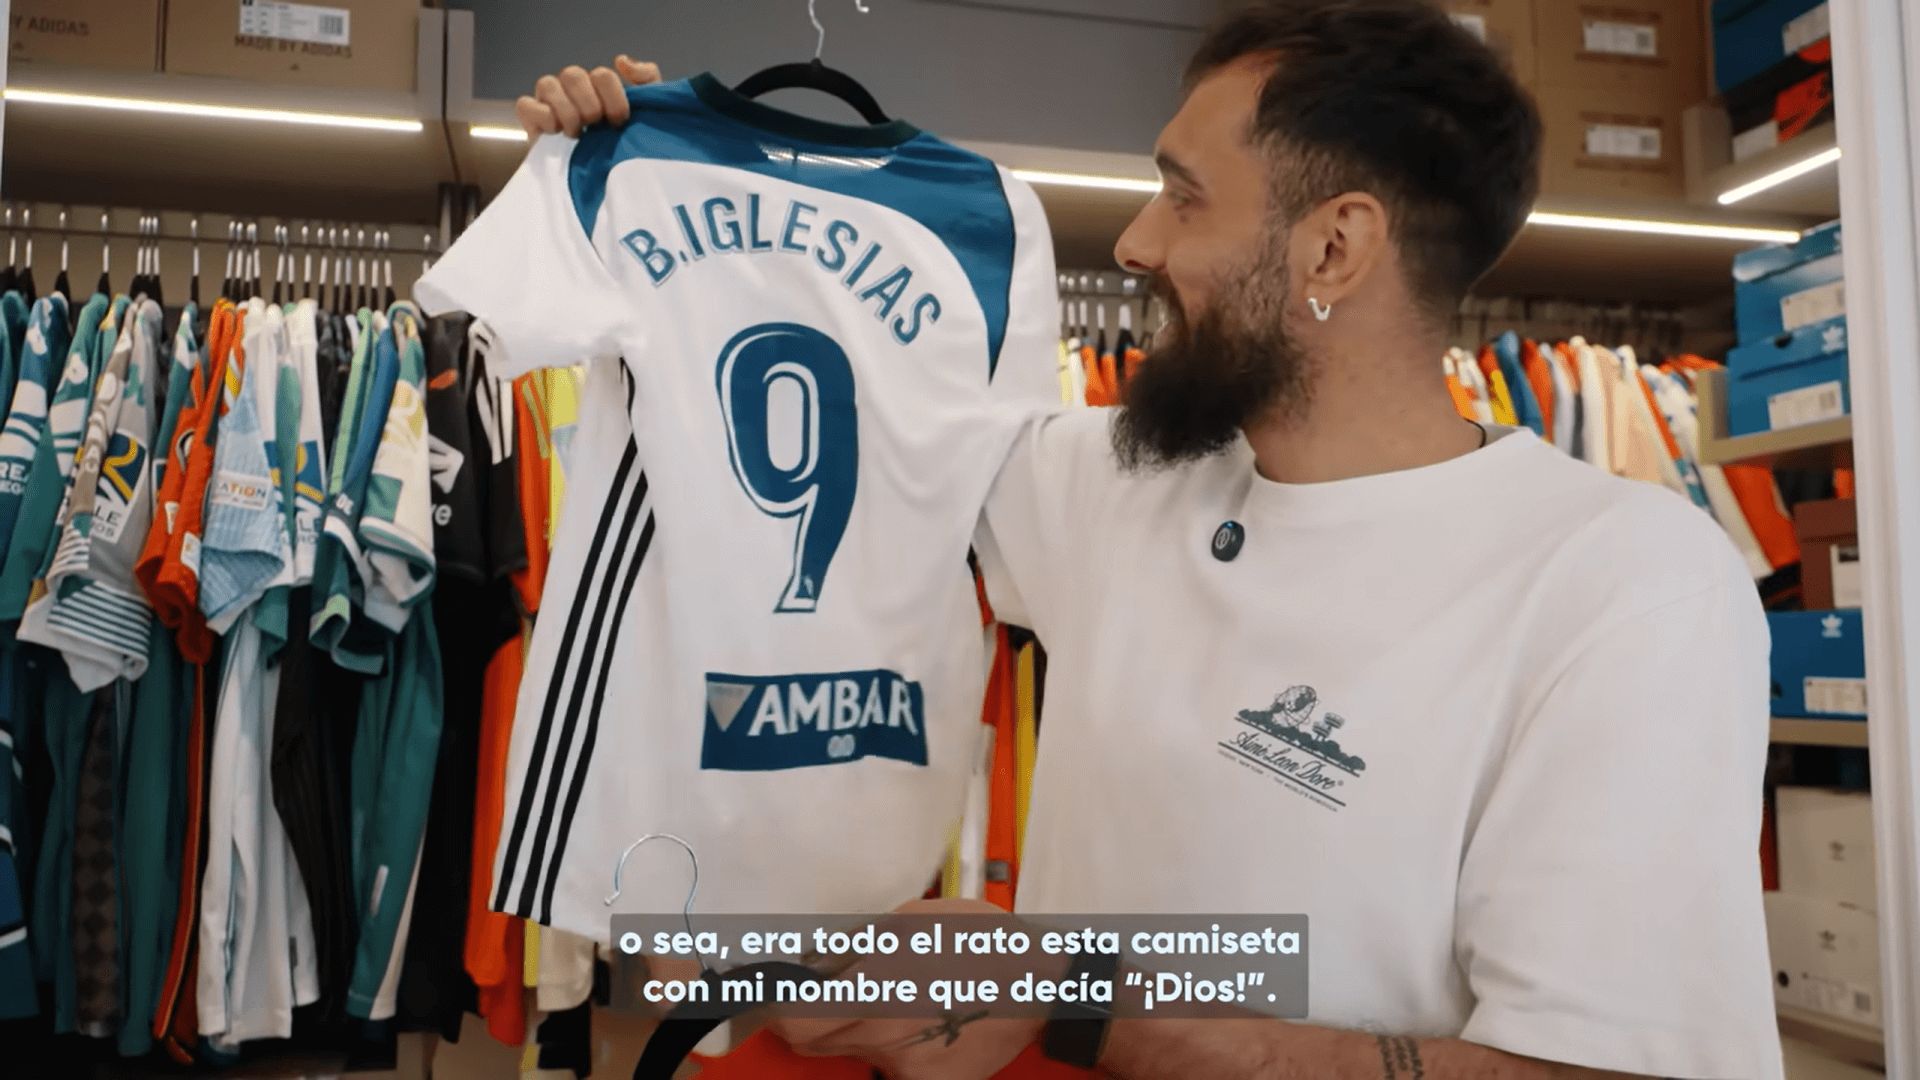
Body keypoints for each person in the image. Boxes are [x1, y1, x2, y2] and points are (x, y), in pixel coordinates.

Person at [512, 2, 1781, 1077]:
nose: (1136, 243)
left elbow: (1606, 1065)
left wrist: (1068, 996)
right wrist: (668, 177)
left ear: (1334, 247)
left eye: (1183, 196)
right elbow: (806, 423)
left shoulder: (1623, 588)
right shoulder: (1115, 480)